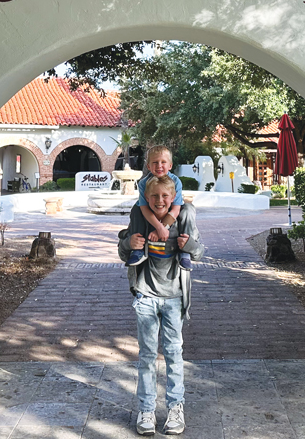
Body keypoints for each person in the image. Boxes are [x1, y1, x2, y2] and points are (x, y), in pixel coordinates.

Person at [118, 174, 205, 436]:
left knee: (174, 354)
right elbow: (123, 251)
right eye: (154, 196)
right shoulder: (140, 218)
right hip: (146, 295)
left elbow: (199, 251)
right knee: (146, 356)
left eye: (165, 196)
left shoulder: (182, 218)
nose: (159, 201)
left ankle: (175, 407)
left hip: (174, 297)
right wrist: (129, 243)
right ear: (146, 197)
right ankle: (146, 410)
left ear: (173, 197)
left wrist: (188, 245)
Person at [125, 145, 192, 271]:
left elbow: (175, 209)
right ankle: (138, 249)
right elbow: (144, 208)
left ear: (170, 165)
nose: (159, 166)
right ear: (148, 166)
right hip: (152, 211)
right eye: (155, 162)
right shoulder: (143, 183)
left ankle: (185, 250)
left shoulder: (176, 182)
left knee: (188, 210)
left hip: (170, 212)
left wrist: (162, 228)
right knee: (136, 209)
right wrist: (159, 227)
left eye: (163, 162)